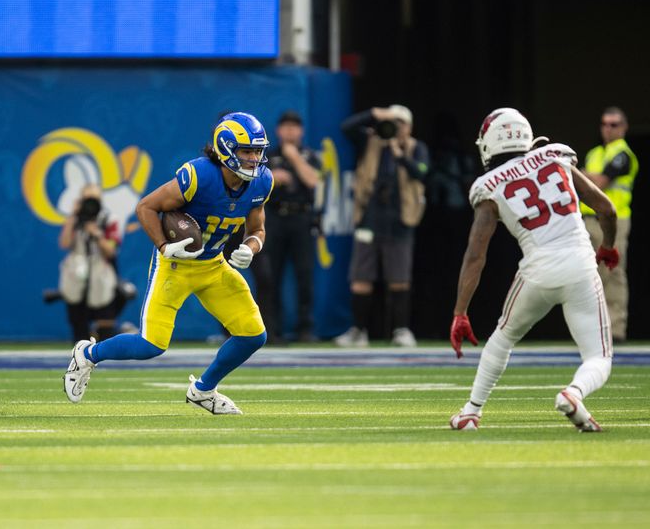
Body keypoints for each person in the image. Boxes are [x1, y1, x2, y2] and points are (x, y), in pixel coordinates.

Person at [63, 112, 272, 415]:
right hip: (175, 266)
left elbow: (257, 229)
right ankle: (88, 354)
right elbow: (146, 206)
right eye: (247, 151)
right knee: (151, 345)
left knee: (254, 335)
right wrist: (165, 245)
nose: (255, 158)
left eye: (258, 151)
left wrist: (251, 248)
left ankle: (203, 390)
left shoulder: (261, 183)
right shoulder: (199, 175)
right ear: (225, 149)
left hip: (213, 266)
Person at [449, 108, 618, 432]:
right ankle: (574, 393)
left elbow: (475, 254)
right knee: (598, 357)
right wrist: (608, 247)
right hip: (580, 266)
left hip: (537, 271)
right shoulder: (556, 157)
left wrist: (461, 311)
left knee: (503, 337)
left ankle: (471, 412)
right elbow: (606, 210)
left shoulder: (489, 185)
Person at [335, 104, 429, 347]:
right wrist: (376, 115)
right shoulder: (371, 142)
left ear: (409, 127)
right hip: (369, 218)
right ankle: (358, 331)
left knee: (399, 278)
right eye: (393, 123)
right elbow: (346, 128)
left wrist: (401, 156)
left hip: (400, 220)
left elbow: (422, 171)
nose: (397, 128)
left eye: (401, 123)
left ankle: (401, 330)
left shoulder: (416, 148)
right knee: (361, 277)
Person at [259, 110, 321, 343]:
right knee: (271, 275)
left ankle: (305, 328)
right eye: (285, 126)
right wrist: (274, 176)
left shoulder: (309, 155)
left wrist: (294, 157)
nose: (290, 130)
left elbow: (314, 181)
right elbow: (254, 181)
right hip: (274, 218)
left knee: (304, 275)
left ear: (301, 131)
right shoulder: (267, 156)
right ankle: (272, 330)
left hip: (301, 219)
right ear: (278, 130)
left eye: (294, 126)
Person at [580, 107, 638, 343]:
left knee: (613, 272)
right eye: (604, 124)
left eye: (614, 124)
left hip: (614, 221)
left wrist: (582, 174)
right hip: (588, 219)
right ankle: (590, 328)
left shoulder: (623, 154)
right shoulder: (595, 153)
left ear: (624, 127)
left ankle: (615, 329)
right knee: (587, 274)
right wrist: (584, 176)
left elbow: (600, 183)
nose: (608, 128)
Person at [58, 183, 132, 343]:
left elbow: (111, 250)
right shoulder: (75, 219)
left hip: (101, 275)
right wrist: (72, 217)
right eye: (87, 199)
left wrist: (97, 234)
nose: (90, 204)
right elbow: (64, 243)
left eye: (94, 199)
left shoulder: (109, 219)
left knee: (105, 331)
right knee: (79, 333)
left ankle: (117, 333)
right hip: (76, 275)